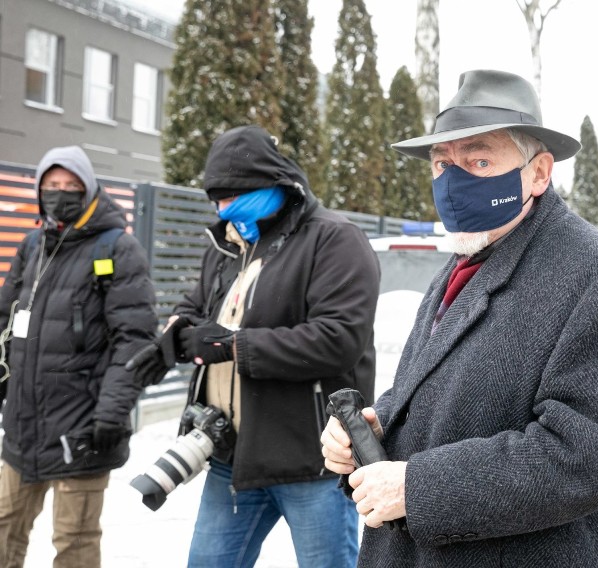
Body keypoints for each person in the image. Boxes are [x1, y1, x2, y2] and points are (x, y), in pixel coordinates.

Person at [320, 69, 598, 567]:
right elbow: (434, 393)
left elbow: (585, 457)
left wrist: (418, 487)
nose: (454, 180)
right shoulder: (465, 261)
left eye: (479, 159)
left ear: (539, 172)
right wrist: (373, 434)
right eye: (442, 164)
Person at [128, 125, 380, 568]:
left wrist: (233, 346)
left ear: (275, 184)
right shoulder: (229, 242)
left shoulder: (335, 239)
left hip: (312, 459)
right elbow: (197, 302)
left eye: (234, 194)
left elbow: (338, 340)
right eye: (217, 198)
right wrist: (173, 338)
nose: (225, 208)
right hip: (233, 456)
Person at [0, 146, 157, 567]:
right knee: (3, 529)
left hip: (81, 429)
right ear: (39, 190)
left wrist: (111, 413)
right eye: (52, 186)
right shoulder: (34, 244)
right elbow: (5, 317)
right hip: (22, 427)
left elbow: (135, 339)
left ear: (89, 190)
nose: (61, 193)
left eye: (71, 186)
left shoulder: (117, 249)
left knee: (74, 543)